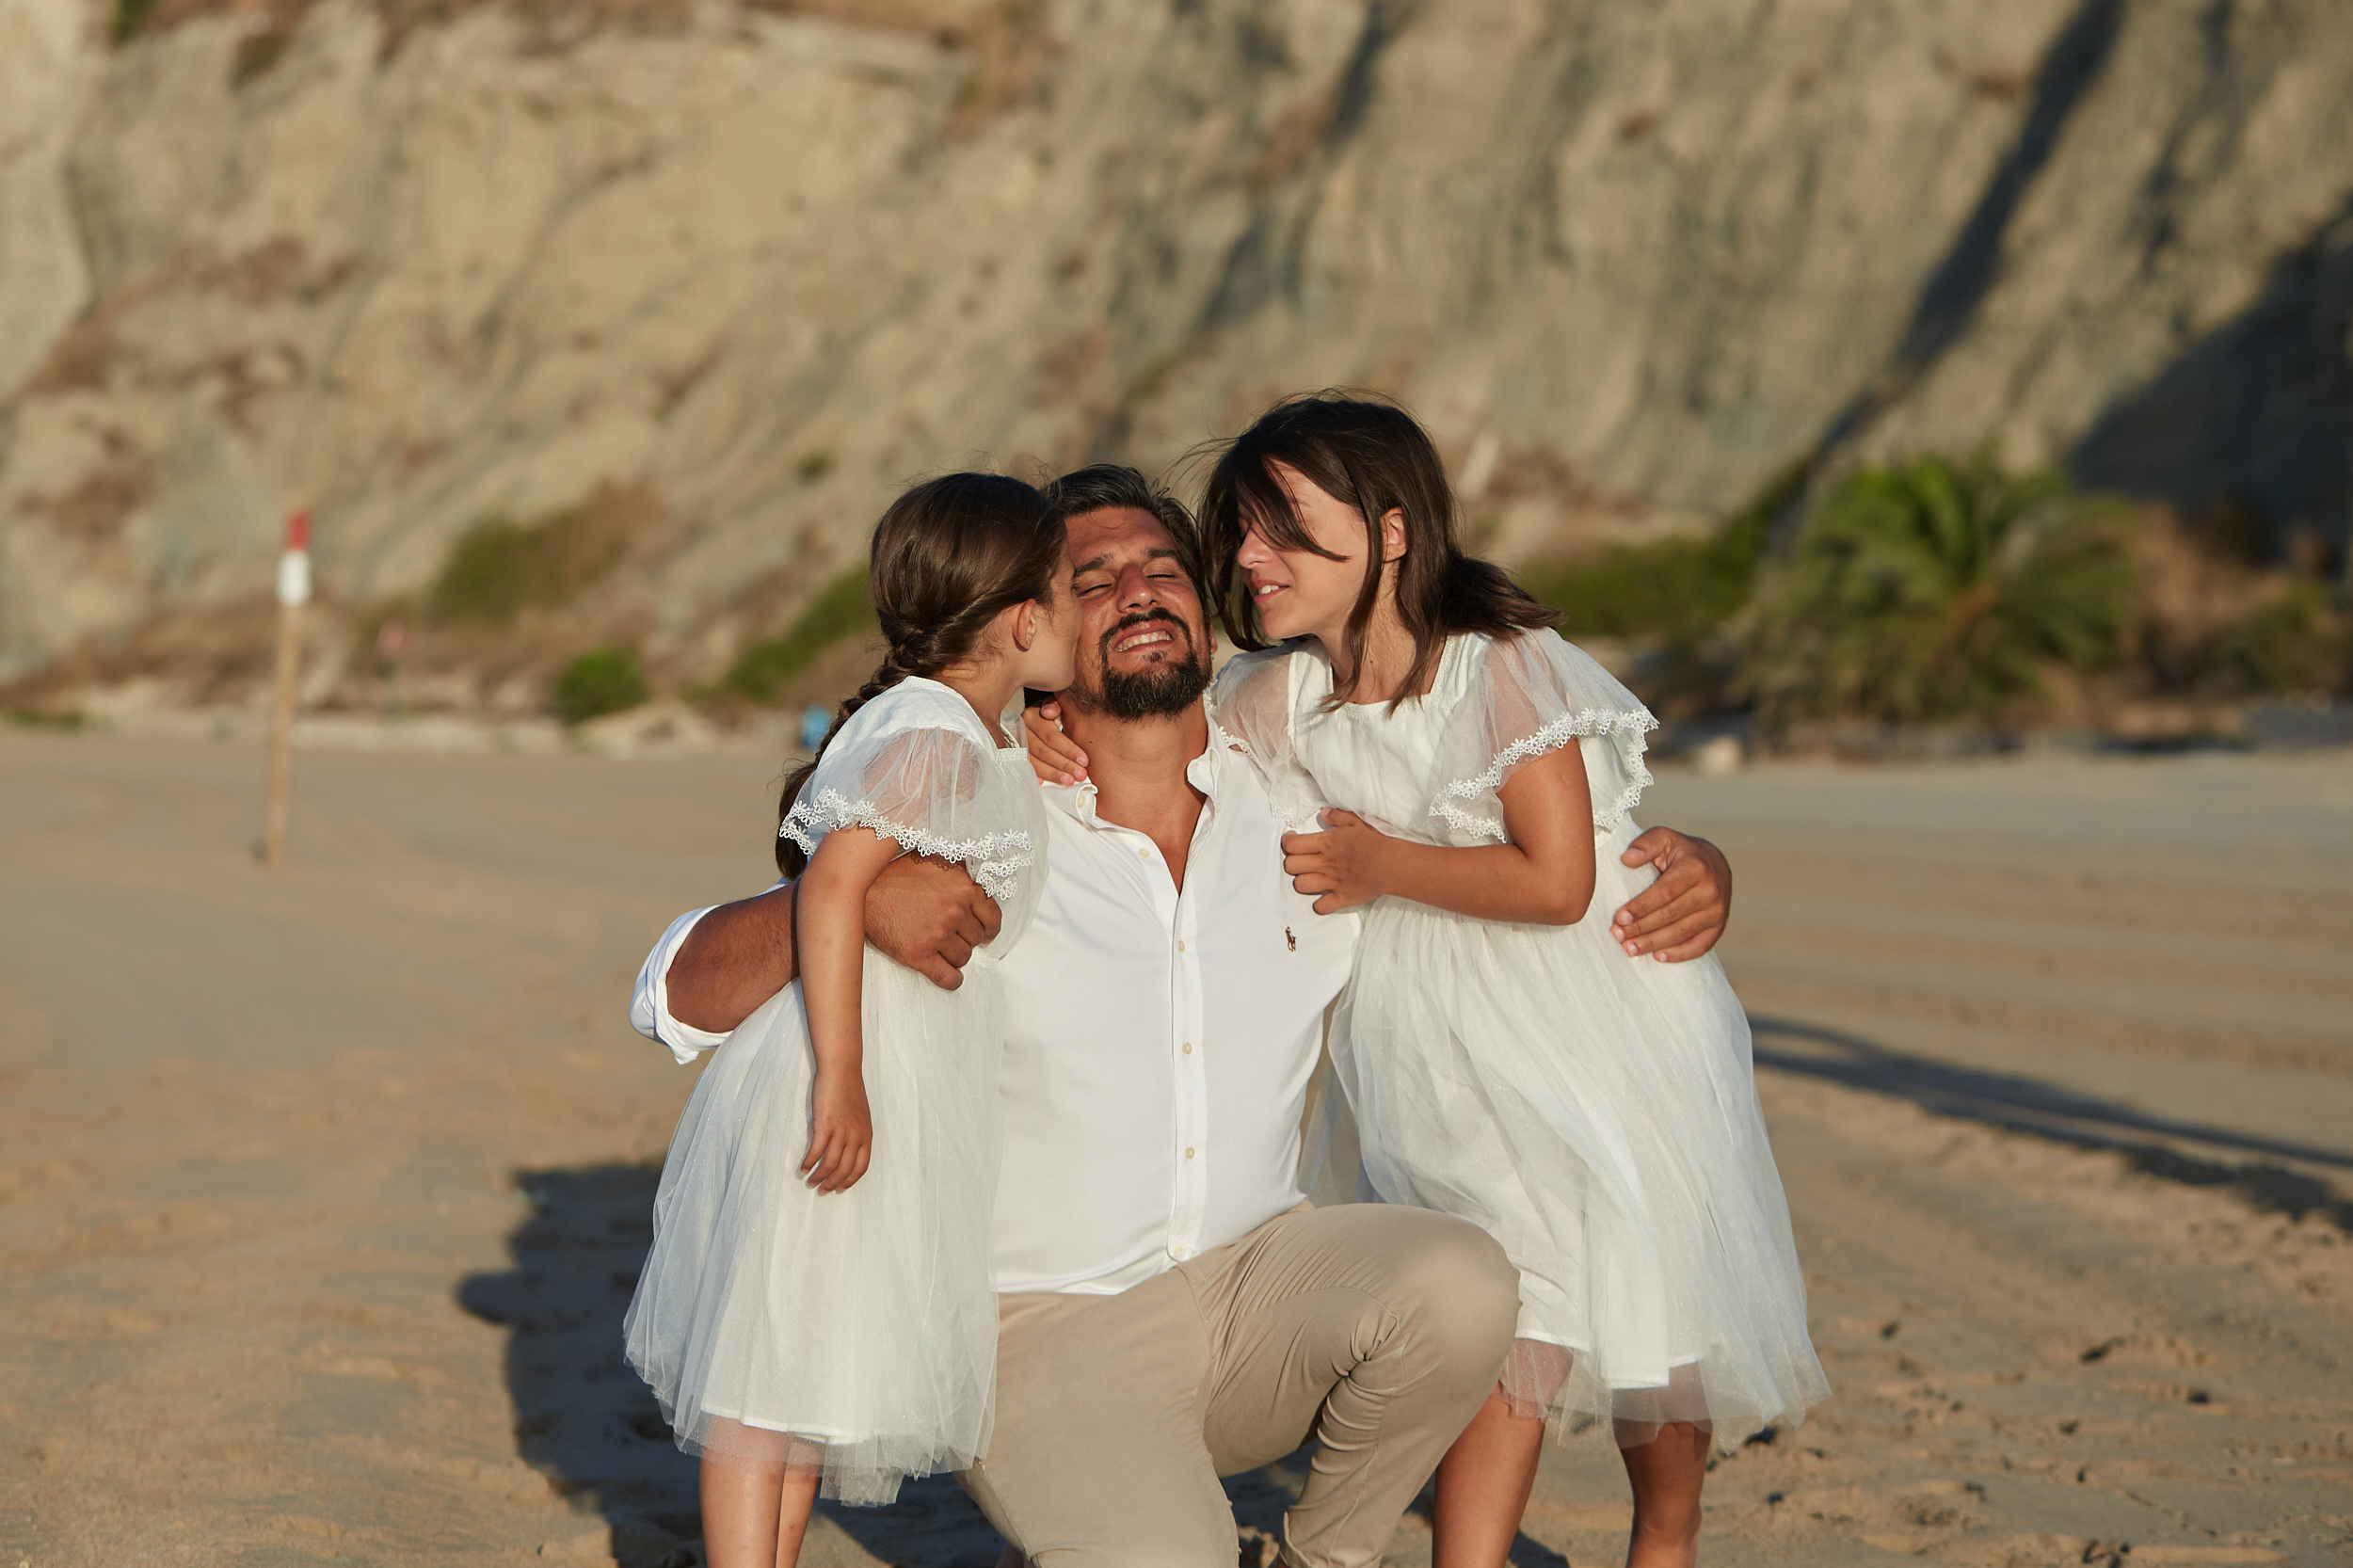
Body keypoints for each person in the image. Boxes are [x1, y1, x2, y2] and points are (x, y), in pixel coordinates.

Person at [631, 463, 1742, 1567]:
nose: (1139, 590)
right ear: (1033, 627)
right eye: (1095, 577)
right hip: (1042, 1332)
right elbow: (674, 990)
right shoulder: (981, 814)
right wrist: (845, 902)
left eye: (1163, 568)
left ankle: (1325, 1554)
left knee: (1462, 1281)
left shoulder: (1305, 808)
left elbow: (1498, 856)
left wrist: (1688, 867)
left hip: (1260, 1291)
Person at [1199, 394, 1829, 1568]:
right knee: (1504, 1292)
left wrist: (1376, 861)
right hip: (1419, 1040)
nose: (1248, 556)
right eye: (1238, 527)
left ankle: (1667, 1538)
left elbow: (1553, 880)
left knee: (1650, 1294)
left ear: (1390, 530)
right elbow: (1162, 757)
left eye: (1282, 523)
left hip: (1592, 1007)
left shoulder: (1499, 666)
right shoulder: (1273, 698)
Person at [622, 473, 1079, 1567]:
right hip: (837, 1067)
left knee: (805, 1361)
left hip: (894, 1068)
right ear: (1021, 618)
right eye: (1067, 592)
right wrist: (842, 1071)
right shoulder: (929, 734)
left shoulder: (978, 732)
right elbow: (832, 886)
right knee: (763, 1372)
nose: (1077, 616)